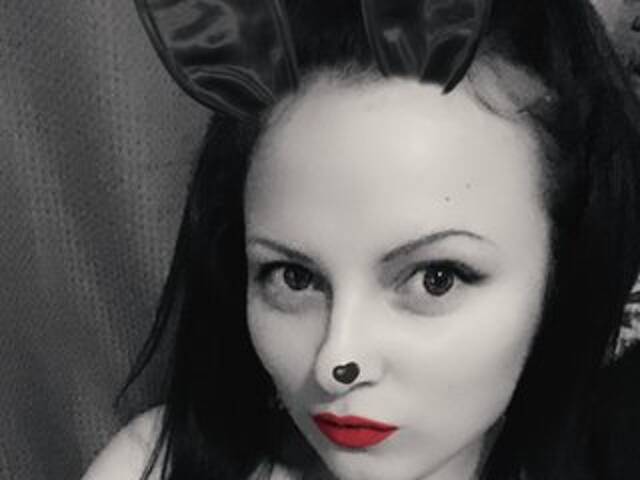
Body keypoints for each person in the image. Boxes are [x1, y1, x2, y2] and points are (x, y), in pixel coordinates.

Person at [83, 0, 640, 479]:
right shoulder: (152, 467)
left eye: (435, 279)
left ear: (565, 269)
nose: (337, 361)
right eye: (294, 278)